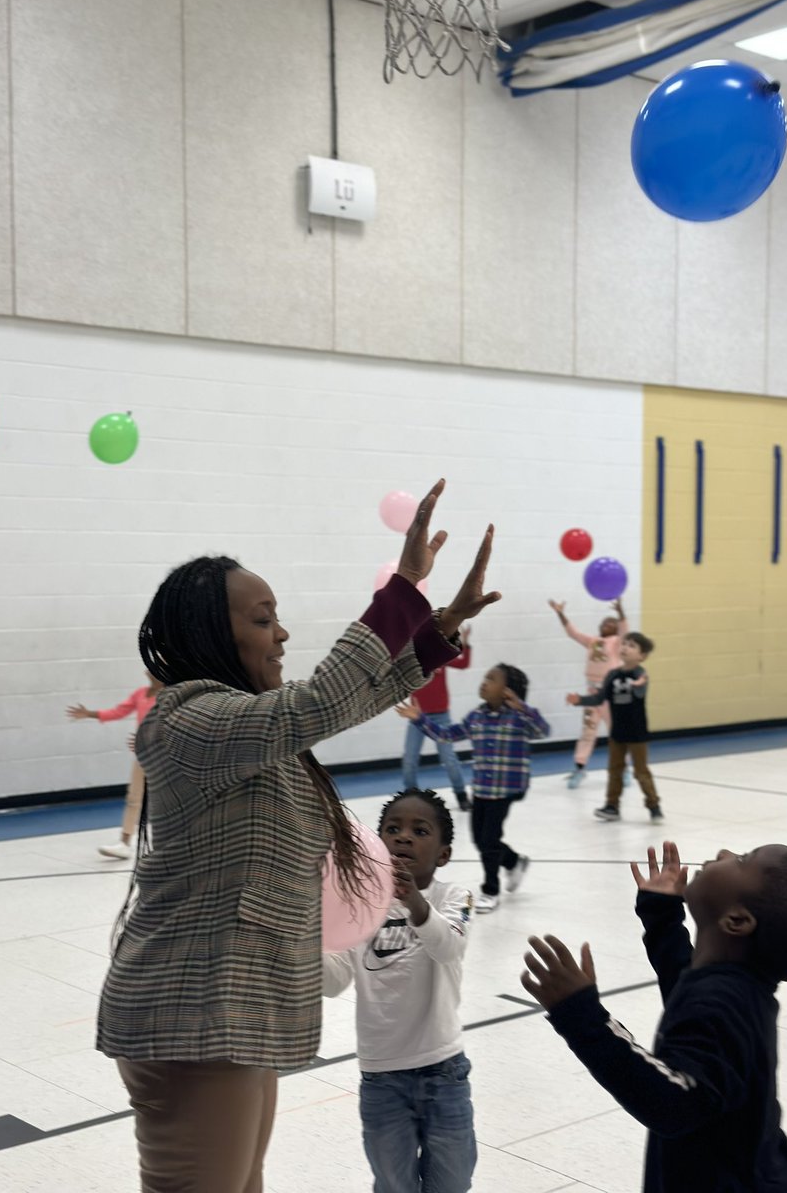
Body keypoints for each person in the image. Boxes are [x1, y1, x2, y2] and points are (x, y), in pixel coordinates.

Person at [95, 478, 501, 1193]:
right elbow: (318, 704)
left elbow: (347, 701)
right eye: (262, 619)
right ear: (211, 634)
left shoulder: (244, 730)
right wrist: (403, 588)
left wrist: (435, 633)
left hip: (234, 1011)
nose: (281, 633)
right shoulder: (189, 721)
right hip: (194, 1014)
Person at [521, 840, 787, 1193]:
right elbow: (685, 986)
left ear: (736, 920)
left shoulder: (723, 1002)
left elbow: (676, 1102)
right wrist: (662, 917)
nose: (723, 853)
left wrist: (582, 1018)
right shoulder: (734, 986)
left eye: (741, 860)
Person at [322, 788, 476, 1193]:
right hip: (381, 1077)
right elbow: (335, 981)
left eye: (419, 830)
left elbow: (449, 946)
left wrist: (415, 903)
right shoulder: (360, 906)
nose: (404, 836)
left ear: (443, 854)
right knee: (393, 1184)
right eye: (393, 829)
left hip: (444, 1071)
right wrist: (303, 938)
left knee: (453, 1182)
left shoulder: (453, 897)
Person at [398, 663, 549, 913]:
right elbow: (446, 735)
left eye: (491, 679)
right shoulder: (476, 717)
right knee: (481, 839)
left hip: (505, 790)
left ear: (507, 691)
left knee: (488, 840)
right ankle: (513, 861)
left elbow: (543, 730)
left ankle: (491, 890)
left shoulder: (519, 717)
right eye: (485, 676)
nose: (484, 682)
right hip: (482, 789)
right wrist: (419, 719)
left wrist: (521, 706)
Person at [566, 630, 663, 823]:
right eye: (624, 644)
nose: (625, 647)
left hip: (637, 732)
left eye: (632, 646)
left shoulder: (640, 674)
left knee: (640, 771)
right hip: (617, 732)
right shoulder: (612, 675)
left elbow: (640, 692)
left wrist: (639, 686)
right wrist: (580, 700)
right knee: (614, 769)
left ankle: (653, 806)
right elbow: (600, 698)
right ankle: (612, 806)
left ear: (642, 656)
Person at [66, 673, 164, 859]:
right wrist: (90, 714)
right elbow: (119, 711)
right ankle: (124, 843)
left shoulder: (170, 695)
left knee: (169, 799)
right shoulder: (140, 694)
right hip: (143, 755)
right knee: (134, 797)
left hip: (165, 755)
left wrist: (149, 739)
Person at [549, 597, 627, 788]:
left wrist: (620, 612)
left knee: (617, 733)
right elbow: (573, 633)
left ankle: (623, 769)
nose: (607, 624)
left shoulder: (617, 642)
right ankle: (579, 768)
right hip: (592, 695)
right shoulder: (593, 641)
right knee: (587, 732)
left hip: (610, 696)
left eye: (612, 623)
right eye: (605, 622)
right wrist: (560, 613)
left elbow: (626, 632)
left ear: (616, 629)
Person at [402, 627, 472, 811]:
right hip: (418, 716)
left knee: (449, 758)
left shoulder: (441, 658)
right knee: (410, 759)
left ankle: (461, 795)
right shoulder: (412, 661)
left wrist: (465, 641)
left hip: (441, 715)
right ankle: (410, 796)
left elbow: (463, 663)